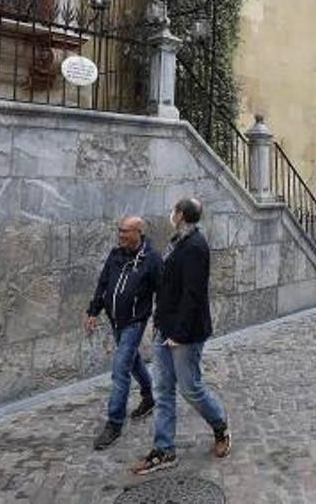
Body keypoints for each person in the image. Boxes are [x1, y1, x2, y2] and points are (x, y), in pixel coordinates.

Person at [132, 198, 231, 475]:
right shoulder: (178, 241)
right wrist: (159, 320)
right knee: (162, 389)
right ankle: (164, 449)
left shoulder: (196, 247)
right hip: (165, 326)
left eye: (174, 210)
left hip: (184, 333)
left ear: (182, 215)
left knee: (190, 387)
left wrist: (180, 332)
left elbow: (193, 293)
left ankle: (220, 424)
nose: (170, 214)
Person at [86, 216, 161, 450]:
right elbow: (103, 283)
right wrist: (93, 311)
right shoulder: (115, 254)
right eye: (119, 231)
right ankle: (149, 396)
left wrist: (163, 320)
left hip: (135, 321)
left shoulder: (152, 259)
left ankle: (114, 423)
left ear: (138, 232)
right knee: (132, 360)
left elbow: (164, 290)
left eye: (125, 232)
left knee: (120, 370)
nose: (120, 235)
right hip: (115, 320)